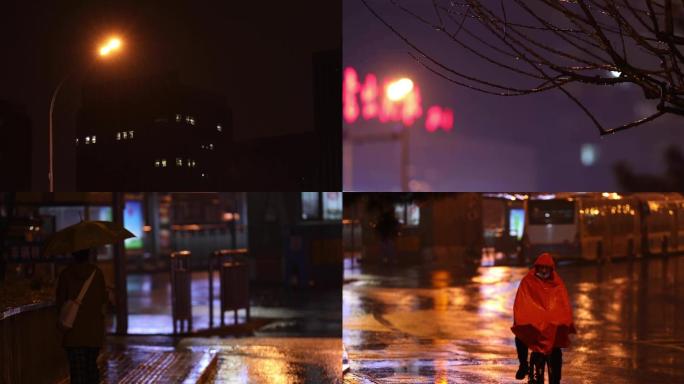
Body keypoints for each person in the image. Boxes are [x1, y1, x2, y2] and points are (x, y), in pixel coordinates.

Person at [511, 253, 576, 383]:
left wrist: (563, 319)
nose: (544, 270)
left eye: (547, 268)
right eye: (542, 267)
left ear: (551, 269)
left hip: (551, 326)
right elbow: (522, 302)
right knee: (520, 333)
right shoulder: (528, 281)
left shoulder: (557, 283)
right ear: (537, 267)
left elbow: (563, 303)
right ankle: (523, 364)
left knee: (556, 354)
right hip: (535, 322)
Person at [56, 248, 108, 384]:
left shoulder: (65, 274)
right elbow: (103, 299)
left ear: (73, 255)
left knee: (77, 372)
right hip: (93, 332)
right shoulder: (97, 274)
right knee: (91, 369)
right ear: (89, 255)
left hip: (73, 332)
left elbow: (60, 302)